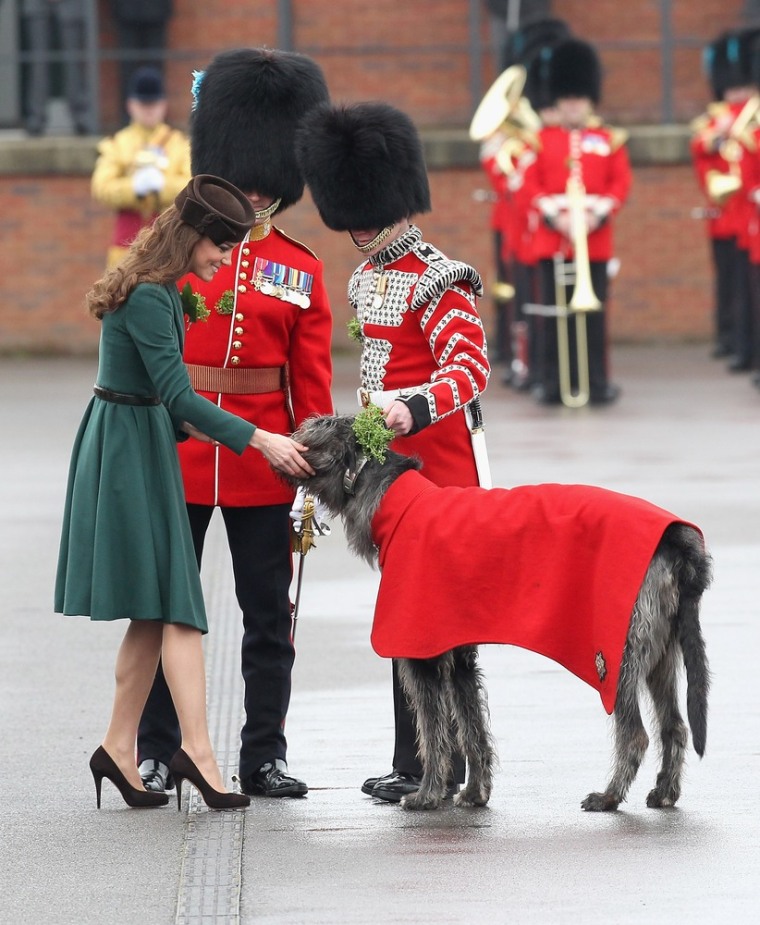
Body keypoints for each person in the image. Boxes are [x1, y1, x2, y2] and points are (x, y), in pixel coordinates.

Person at [54, 174, 316, 810]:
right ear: (196, 237)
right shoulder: (150, 296)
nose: (226, 259)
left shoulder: (161, 288)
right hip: (131, 450)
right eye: (220, 247)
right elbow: (177, 397)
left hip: (140, 439)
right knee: (178, 604)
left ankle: (120, 746)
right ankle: (196, 753)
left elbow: (170, 404)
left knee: (156, 610)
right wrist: (262, 440)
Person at [136, 48, 334, 800]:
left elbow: (308, 383)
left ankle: (265, 753)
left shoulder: (300, 266)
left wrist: (315, 471)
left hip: (265, 459)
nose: (253, 192)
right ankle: (156, 749)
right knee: (162, 608)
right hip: (179, 450)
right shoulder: (174, 251)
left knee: (267, 618)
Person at [297, 100, 491, 803]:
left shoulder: (443, 277)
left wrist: (411, 406)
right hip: (389, 477)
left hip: (438, 471)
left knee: (443, 623)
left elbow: (469, 372)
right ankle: (413, 758)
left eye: (368, 209)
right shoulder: (365, 276)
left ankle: (453, 760)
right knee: (405, 610)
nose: (359, 224)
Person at [519, 37, 632, 405]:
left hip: (594, 241)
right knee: (554, 318)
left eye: (578, 99)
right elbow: (528, 186)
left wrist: (596, 214)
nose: (573, 106)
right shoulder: (539, 140)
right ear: (558, 101)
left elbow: (621, 182)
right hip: (554, 242)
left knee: (595, 320)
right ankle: (553, 382)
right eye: (567, 100)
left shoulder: (607, 139)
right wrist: (556, 216)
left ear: (589, 101)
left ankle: (597, 381)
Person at [691, 30, 758, 366]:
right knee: (728, 278)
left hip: (749, 212)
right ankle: (728, 335)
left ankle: (745, 343)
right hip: (724, 212)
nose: (738, 95)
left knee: (749, 286)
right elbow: (701, 148)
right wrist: (721, 135)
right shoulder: (716, 118)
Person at [91, 66, 190, 268]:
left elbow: (191, 186)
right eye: (143, 104)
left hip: (167, 242)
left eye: (153, 104)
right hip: (126, 246)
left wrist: (163, 186)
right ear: (130, 105)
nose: (148, 109)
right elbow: (101, 187)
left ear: (163, 105)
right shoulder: (118, 144)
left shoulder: (179, 144)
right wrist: (134, 187)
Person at [20, 0, 94, 136]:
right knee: (38, 61)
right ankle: (35, 118)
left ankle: (81, 117)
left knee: (73, 62)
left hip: (71, 6)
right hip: (37, 5)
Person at [109, 0, 174, 112]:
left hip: (155, 12)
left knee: (155, 68)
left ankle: (156, 114)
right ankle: (128, 115)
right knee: (127, 67)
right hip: (127, 12)